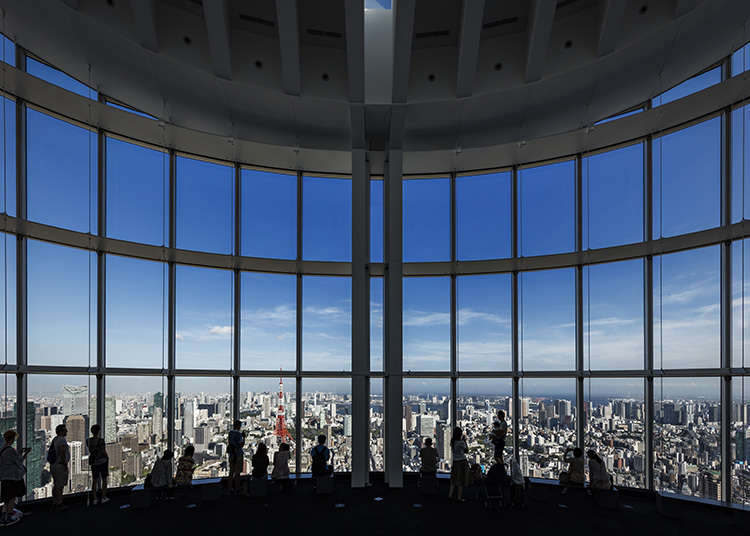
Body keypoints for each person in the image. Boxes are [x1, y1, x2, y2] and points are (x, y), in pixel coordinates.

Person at [0, 430, 29, 526]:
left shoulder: (2, 449)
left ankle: (4, 516)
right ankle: (9, 516)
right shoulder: (11, 451)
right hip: (12, 477)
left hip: (4, 477)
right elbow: (19, 461)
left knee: (6, 498)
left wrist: (19, 453)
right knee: (12, 497)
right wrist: (25, 454)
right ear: (12, 439)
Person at [87, 424, 109, 504]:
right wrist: (107, 457)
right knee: (104, 479)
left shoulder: (88, 441)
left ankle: (95, 499)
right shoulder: (101, 441)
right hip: (102, 461)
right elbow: (103, 451)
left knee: (95, 480)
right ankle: (103, 497)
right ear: (99, 431)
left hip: (94, 463)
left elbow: (90, 450)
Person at [50, 424, 70, 511]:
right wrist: (64, 464)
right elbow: (62, 451)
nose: (67, 431)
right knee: (60, 485)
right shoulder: (62, 440)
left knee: (56, 484)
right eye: (65, 430)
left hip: (54, 465)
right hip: (60, 465)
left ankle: (55, 502)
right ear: (61, 431)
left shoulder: (55, 439)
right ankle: (59, 503)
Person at [448, 427, 468, 502]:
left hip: (455, 461)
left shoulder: (452, 441)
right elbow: (466, 451)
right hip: (461, 462)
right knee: (460, 480)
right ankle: (459, 497)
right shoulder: (461, 442)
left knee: (454, 479)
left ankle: (450, 495)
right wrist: (464, 441)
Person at [227, 420, 245, 494]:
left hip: (231, 454)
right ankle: (237, 488)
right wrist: (244, 437)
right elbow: (241, 445)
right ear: (239, 426)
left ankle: (229, 487)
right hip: (238, 454)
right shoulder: (239, 434)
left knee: (231, 472)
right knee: (237, 473)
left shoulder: (230, 433)